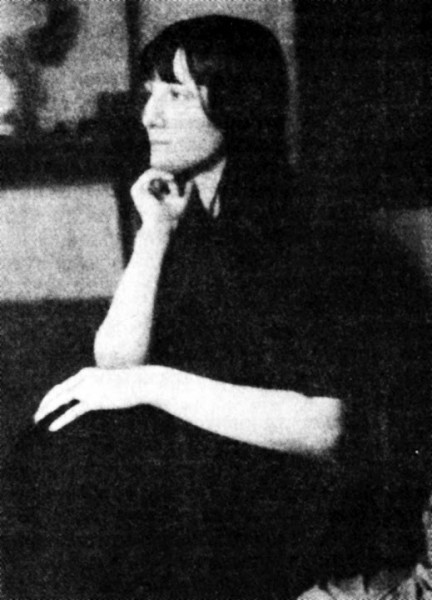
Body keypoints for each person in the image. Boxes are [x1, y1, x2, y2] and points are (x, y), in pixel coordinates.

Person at [2, 14, 431, 600]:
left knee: (94, 470)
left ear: (238, 105)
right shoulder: (191, 218)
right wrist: (155, 232)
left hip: (305, 503)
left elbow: (326, 427)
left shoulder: (307, 227)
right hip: (218, 482)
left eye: (176, 95)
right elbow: (117, 363)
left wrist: (151, 385)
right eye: (151, 93)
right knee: (68, 443)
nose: (150, 115)